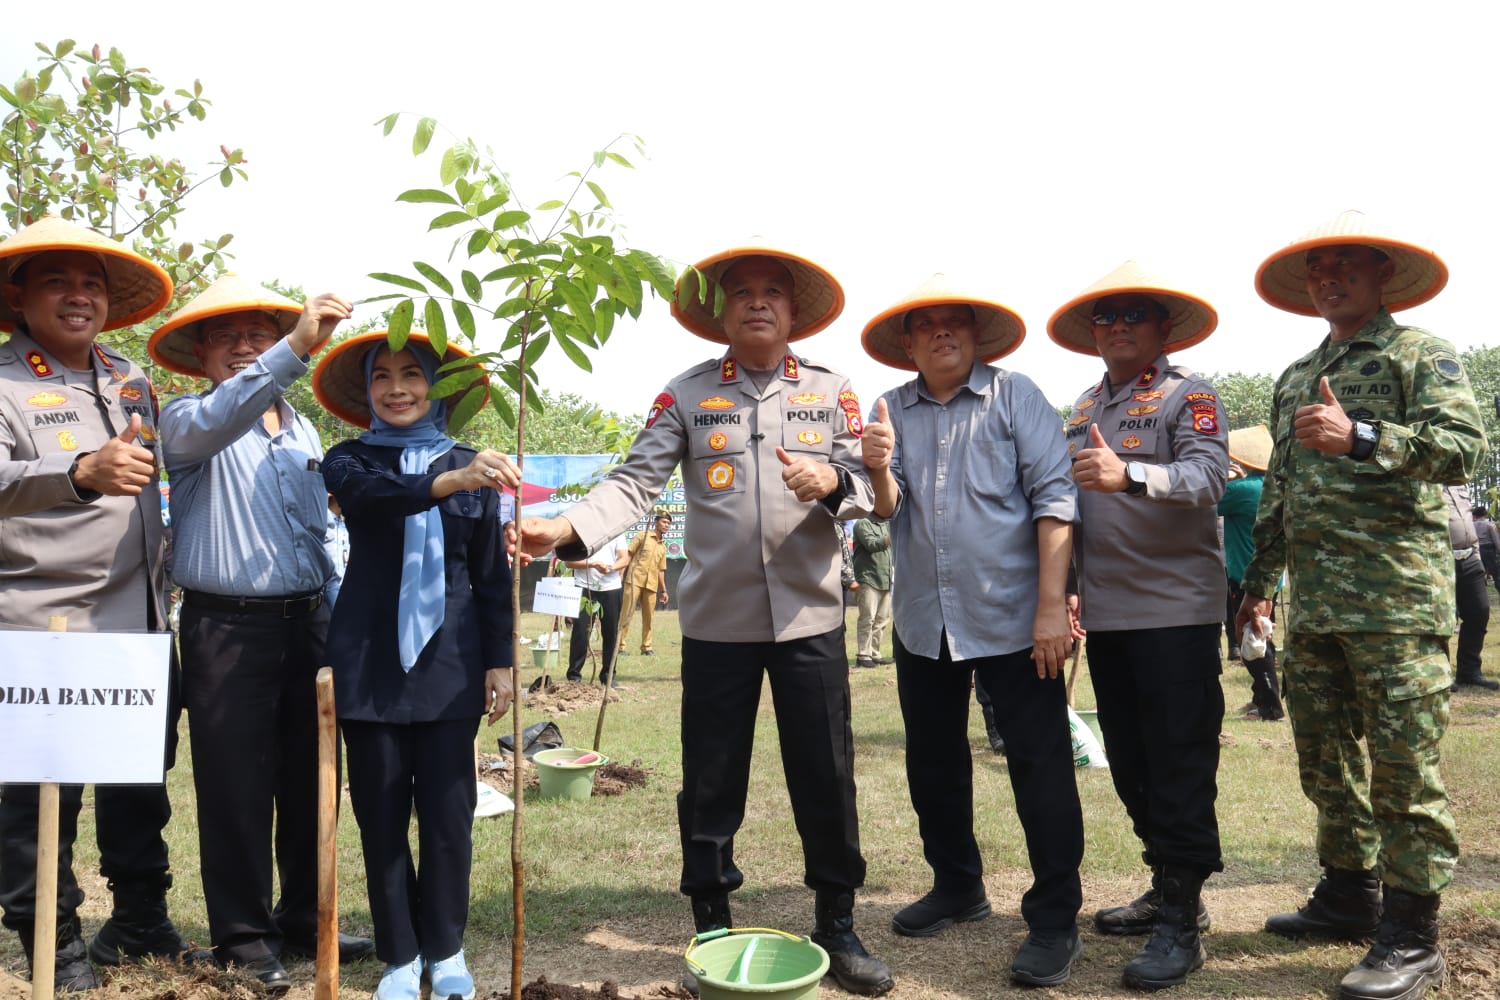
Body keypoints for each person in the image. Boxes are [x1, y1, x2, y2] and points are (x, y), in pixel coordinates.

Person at [510, 240, 893, 997]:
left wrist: (836, 477)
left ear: (792, 311)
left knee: (827, 772)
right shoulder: (686, 395)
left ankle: (838, 922)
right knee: (712, 777)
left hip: (811, 620)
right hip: (717, 623)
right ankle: (711, 915)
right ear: (721, 313)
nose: (757, 301)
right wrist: (566, 528)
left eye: (772, 291)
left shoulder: (833, 390)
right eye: (741, 291)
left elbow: (877, 492)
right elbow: (634, 481)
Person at [1236, 211, 1486, 1000]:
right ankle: (1349, 895)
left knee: (1405, 772)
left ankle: (1413, 936)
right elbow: (1278, 487)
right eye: (1318, 269)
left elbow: (1464, 447)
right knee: (1327, 763)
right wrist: (1259, 584)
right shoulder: (1294, 374)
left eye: (1347, 265)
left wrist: (1366, 437)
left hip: (1398, 603)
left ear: (1383, 278)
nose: (1329, 278)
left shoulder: (1422, 353)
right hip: (1315, 610)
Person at [860, 274, 1086, 986]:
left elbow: (1055, 499)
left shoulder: (1016, 396)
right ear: (907, 342)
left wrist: (1053, 606)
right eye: (925, 325)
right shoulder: (889, 407)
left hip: (1017, 618)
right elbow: (887, 505)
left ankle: (1054, 917)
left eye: (954, 322)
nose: (941, 333)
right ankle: (958, 884)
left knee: (1039, 764)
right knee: (933, 762)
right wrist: (875, 468)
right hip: (925, 621)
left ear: (976, 334)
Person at [150, 275, 373, 987]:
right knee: (234, 786)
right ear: (200, 352)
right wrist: (295, 346)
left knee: (313, 778)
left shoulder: (302, 428)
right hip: (227, 629)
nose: (244, 348)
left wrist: (339, 615)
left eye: (258, 334)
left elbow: (318, 533)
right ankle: (242, 937)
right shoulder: (187, 421)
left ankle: (304, 918)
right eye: (226, 335)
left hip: (307, 621)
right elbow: (225, 415)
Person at [0, 217, 197, 991]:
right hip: (43, 625)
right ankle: (49, 936)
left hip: (140, 621)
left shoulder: (129, 380)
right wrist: (78, 472)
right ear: (19, 296)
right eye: (58, 282)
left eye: (92, 284)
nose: (79, 297)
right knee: (36, 794)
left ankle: (138, 916)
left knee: (139, 782)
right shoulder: (6, 384)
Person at [313, 331, 517, 1000]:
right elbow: (377, 502)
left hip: (451, 667)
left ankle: (447, 948)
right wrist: (446, 481)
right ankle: (399, 955)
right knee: (379, 815)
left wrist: (501, 663)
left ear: (438, 390)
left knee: (449, 815)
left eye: (412, 375)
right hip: (369, 666)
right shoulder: (348, 461)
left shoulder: (476, 468)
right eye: (382, 377)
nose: (397, 388)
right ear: (367, 392)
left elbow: (491, 574)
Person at [1048, 260, 1227, 990]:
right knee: (1129, 760)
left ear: (1161, 328)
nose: (1117, 326)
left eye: (1132, 315)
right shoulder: (1083, 406)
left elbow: (1210, 477)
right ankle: (1165, 883)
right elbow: (1071, 510)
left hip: (1176, 614)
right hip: (1111, 618)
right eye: (1105, 317)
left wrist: (1132, 474)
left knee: (1180, 762)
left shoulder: (1192, 395)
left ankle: (1184, 920)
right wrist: (1065, 587)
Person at [1219, 425, 1284, 721]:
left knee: (1252, 637)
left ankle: (1270, 706)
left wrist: (1227, 474)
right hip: (1270, 576)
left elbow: (1208, 499)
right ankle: (1261, 697)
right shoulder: (1270, 486)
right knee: (1262, 636)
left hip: (1245, 577)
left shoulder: (1240, 490)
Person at [1445, 485, 1497, 690]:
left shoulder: (1460, 483)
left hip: (1470, 556)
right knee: (1442, 618)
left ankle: (1469, 671)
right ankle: (1440, 674)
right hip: (1438, 558)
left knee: (1479, 612)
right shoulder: (1425, 475)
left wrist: (1476, 554)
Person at [564, 531, 629, 685]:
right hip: (584, 587)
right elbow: (568, 562)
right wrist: (592, 564)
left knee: (611, 633)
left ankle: (608, 675)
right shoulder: (581, 533)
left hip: (611, 588)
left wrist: (611, 567)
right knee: (580, 632)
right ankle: (574, 676)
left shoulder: (617, 532)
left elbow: (625, 558)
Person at [616, 511, 671, 657]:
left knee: (649, 617)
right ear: (656, 522)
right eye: (664, 522)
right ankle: (620, 647)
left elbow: (661, 570)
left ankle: (646, 647)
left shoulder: (663, 547)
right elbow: (628, 555)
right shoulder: (643, 535)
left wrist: (664, 591)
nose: (667, 525)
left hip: (651, 585)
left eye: (669, 523)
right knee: (626, 614)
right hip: (634, 580)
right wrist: (621, 573)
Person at [851, 519, 892, 669]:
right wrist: (893, 535)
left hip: (885, 579)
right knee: (867, 618)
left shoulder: (885, 525)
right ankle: (863, 655)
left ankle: (875, 654)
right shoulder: (862, 523)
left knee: (882, 620)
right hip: (868, 578)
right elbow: (872, 544)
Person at [1473, 506, 1500, 588]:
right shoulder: (1490, 525)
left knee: (1479, 573)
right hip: (1489, 551)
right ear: (1485, 514)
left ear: (1475, 515)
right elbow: (1496, 540)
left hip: (1476, 550)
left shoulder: (1471, 525)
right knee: (1496, 574)